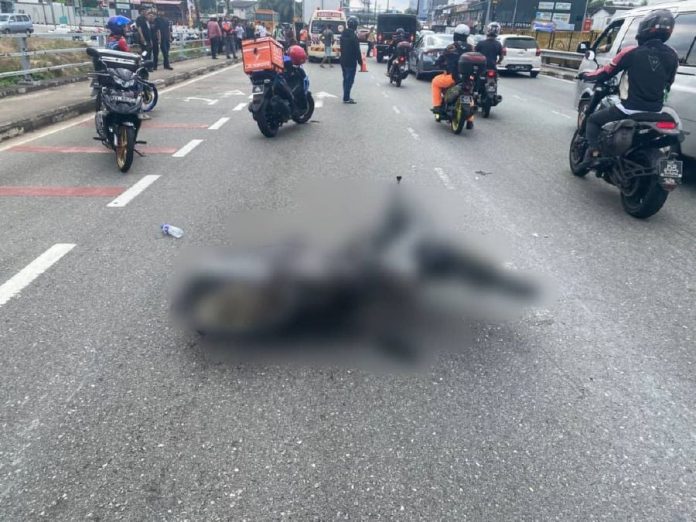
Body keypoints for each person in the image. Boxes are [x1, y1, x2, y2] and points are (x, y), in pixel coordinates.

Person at [579, 9, 679, 165]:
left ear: (645, 28)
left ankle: (594, 154)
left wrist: (586, 75)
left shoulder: (631, 52)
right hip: (656, 111)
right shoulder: (673, 55)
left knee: (593, 120)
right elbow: (668, 83)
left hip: (629, 109)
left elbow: (606, 72)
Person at [431, 24, 472, 113]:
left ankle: (437, 106)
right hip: (468, 79)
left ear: (455, 35)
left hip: (453, 78)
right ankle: (470, 118)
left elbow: (441, 59)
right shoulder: (471, 48)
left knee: (435, 82)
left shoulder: (451, 47)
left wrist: (436, 63)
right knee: (469, 93)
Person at [339, 16, 363, 104]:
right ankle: (346, 98)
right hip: (351, 62)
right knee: (349, 80)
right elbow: (357, 51)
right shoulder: (354, 36)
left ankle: (346, 96)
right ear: (355, 25)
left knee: (345, 79)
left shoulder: (343, 34)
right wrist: (360, 62)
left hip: (343, 60)